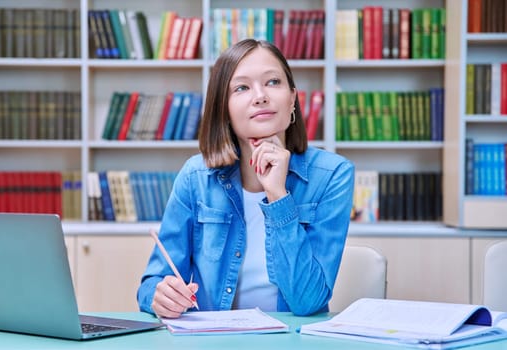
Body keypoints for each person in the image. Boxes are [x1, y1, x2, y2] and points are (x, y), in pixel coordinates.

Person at [137, 39, 354, 318]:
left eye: (273, 82)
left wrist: (278, 196)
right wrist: (159, 296)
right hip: (214, 340)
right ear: (224, 110)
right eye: (241, 87)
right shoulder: (195, 177)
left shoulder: (333, 175)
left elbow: (307, 301)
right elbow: (151, 285)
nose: (260, 96)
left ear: (292, 99)